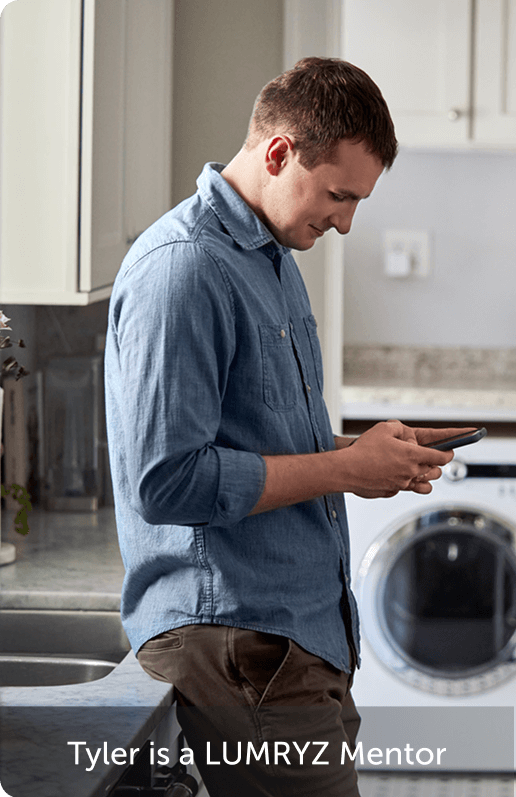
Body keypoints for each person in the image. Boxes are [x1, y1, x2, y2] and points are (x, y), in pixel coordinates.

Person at [105, 57, 464, 797]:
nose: (346, 221)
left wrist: (369, 457)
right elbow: (166, 478)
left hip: (288, 641)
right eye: (338, 194)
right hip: (239, 644)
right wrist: (342, 470)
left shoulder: (269, 256)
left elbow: (250, 439)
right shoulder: (184, 269)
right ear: (278, 153)